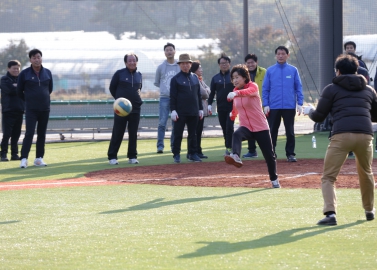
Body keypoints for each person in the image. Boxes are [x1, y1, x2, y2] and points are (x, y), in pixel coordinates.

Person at [304, 54, 377, 225]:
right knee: (366, 172)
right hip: (365, 135)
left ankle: (330, 214)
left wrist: (309, 111)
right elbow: (375, 116)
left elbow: (319, 117)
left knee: (329, 176)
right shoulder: (369, 90)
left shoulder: (331, 89)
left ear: (338, 71)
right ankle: (369, 210)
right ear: (356, 70)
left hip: (341, 135)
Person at [225, 64, 280, 188]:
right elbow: (236, 106)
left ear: (245, 77)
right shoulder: (235, 92)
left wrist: (236, 93)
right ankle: (236, 156)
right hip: (246, 126)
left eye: (237, 77)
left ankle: (274, 180)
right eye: (233, 78)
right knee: (237, 134)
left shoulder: (253, 86)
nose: (235, 80)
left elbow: (248, 92)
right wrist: (232, 115)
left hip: (260, 127)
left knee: (269, 156)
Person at [262, 45, 304, 162]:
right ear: (276, 55)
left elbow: (298, 88)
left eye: (283, 54)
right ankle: (271, 154)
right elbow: (265, 89)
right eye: (278, 54)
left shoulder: (293, 70)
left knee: (290, 131)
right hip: (273, 106)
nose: (280, 56)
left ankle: (290, 154)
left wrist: (299, 103)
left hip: (289, 106)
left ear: (287, 55)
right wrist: (266, 104)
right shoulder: (270, 70)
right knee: (272, 132)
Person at [17, 49, 53, 168]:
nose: (37, 60)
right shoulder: (24, 73)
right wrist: (30, 100)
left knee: (41, 134)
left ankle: (39, 158)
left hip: (45, 109)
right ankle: (23, 159)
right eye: (34, 58)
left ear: (41, 58)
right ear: (30, 60)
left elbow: (50, 89)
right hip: (31, 109)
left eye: (38, 57)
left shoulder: (47, 72)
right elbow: (19, 91)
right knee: (29, 133)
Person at [107, 53, 143, 165]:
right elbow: (112, 88)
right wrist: (119, 102)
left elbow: (139, 89)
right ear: (126, 62)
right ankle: (112, 157)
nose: (132, 62)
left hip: (135, 109)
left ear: (136, 62)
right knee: (118, 132)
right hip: (120, 110)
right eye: (130, 60)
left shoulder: (139, 74)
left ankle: (132, 156)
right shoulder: (119, 74)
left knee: (133, 133)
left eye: (134, 60)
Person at [170, 54, 203, 163]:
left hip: (194, 111)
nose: (185, 65)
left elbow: (198, 95)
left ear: (190, 64)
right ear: (179, 65)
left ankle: (192, 154)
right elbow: (173, 96)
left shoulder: (195, 78)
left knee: (193, 134)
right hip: (180, 112)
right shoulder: (175, 79)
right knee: (178, 134)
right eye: (183, 63)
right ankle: (176, 154)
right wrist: (173, 110)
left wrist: (200, 109)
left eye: (187, 63)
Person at [154, 42, 180, 154]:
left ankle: (173, 145)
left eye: (171, 50)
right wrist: (166, 90)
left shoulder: (180, 66)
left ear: (174, 51)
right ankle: (160, 146)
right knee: (162, 123)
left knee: (176, 123)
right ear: (164, 53)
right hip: (164, 98)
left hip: (177, 99)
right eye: (167, 50)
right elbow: (157, 82)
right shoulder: (160, 67)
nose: (169, 52)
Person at [208, 53, 234, 156]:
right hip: (221, 107)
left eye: (226, 63)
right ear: (219, 65)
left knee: (229, 127)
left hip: (232, 107)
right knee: (224, 128)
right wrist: (209, 104)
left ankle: (231, 148)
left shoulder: (233, 76)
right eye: (222, 63)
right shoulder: (215, 78)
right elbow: (212, 93)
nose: (224, 65)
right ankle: (228, 147)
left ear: (229, 64)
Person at [242, 53, 267, 159]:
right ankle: (252, 151)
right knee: (249, 128)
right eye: (248, 63)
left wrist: (267, 104)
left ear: (257, 62)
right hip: (248, 106)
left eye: (252, 62)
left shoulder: (264, 72)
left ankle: (267, 151)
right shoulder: (243, 74)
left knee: (264, 129)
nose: (250, 64)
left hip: (262, 105)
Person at [1, 60, 24, 162]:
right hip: (8, 111)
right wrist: (19, 88)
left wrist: (17, 87)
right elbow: (10, 90)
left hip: (19, 110)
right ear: (8, 68)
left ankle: (14, 154)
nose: (16, 70)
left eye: (18, 68)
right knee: (7, 134)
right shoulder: (4, 79)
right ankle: (3, 154)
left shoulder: (21, 79)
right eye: (14, 68)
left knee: (16, 134)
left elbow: (25, 90)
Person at [189, 60, 211, 159]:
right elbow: (205, 93)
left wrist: (206, 91)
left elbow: (208, 89)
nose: (201, 70)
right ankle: (194, 151)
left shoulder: (200, 79)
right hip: (197, 109)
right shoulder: (195, 79)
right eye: (199, 68)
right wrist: (206, 91)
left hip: (201, 109)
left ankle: (198, 150)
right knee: (196, 131)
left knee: (198, 131)